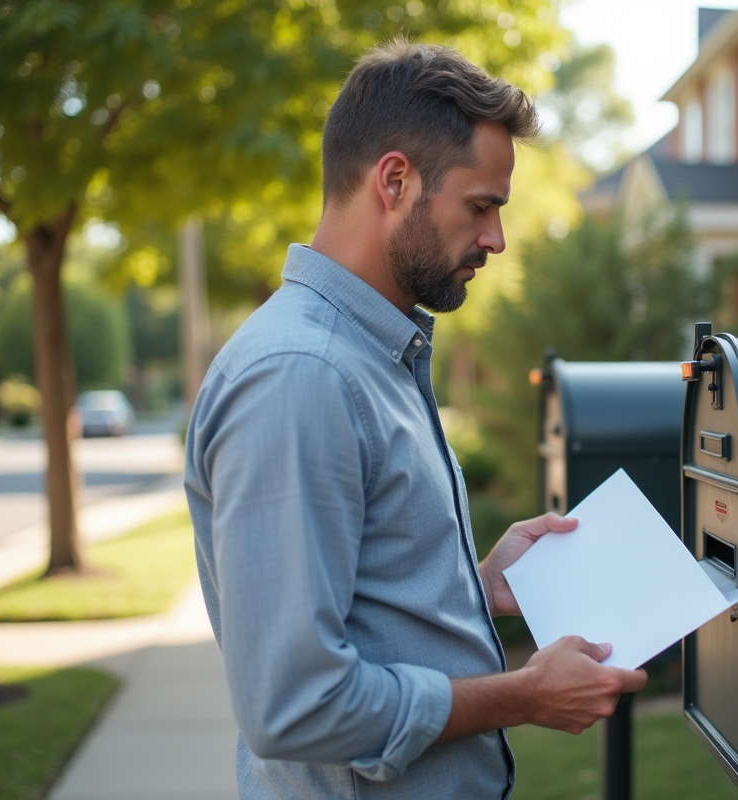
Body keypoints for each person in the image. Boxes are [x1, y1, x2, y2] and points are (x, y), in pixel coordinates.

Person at [184, 40, 648, 800]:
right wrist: (522, 696)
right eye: (481, 206)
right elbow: (296, 707)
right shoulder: (303, 375)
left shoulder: (370, 355)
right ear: (395, 181)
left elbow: (364, 595)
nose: (496, 238)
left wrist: (474, 582)